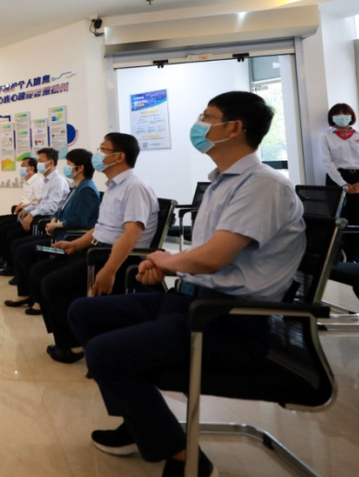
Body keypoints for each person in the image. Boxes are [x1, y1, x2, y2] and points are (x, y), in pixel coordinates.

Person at [67, 91, 305, 477]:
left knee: (105, 353)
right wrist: (169, 267)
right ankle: (139, 418)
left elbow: (213, 257)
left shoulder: (263, 185)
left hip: (227, 320)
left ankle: (182, 457)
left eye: (207, 117)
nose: (199, 125)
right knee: (85, 312)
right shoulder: (221, 183)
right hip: (190, 302)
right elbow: (204, 257)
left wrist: (167, 262)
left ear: (234, 128)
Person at [30, 133, 158, 361]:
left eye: (103, 149)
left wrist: (109, 270)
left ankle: (72, 344)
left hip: (116, 258)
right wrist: (74, 244)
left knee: (52, 283)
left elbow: (132, 234)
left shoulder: (135, 187)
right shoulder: (113, 186)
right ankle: (68, 336)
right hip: (97, 250)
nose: (97, 155)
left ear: (119, 156)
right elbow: (100, 228)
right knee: (40, 271)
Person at [3, 148, 101, 309]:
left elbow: (80, 220)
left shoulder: (87, 189)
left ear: (80, 168)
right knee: (18, 245)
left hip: (68, 242)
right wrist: (54, 219)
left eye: (69, 164)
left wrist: (58, 224)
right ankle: (26, 293)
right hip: (59, 235)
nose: (66, 167)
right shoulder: (77, 187)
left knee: (25, 251)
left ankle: (36, 299)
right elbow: (60, 209)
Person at [0, 147, 70, 272]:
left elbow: (51, 207)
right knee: (6, 228)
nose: (38, 164)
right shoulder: (47, 181)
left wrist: (32, 213)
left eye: (41, 161)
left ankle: (12, 266)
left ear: (50, 163)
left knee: (12, 235)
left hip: (46, 220)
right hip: (40, 217)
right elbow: (41, 203)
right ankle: (8, 262)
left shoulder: (57, 181)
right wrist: (28, 209)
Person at [320, 103, 359, 262]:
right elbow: (327, 162)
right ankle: (339, 259)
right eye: (338, 115)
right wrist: (343, 184)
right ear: (332, 118)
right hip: (336, 178)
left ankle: (356, 258)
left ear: (351, 117)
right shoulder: (326, 136)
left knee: (356, 219)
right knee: (338, 220)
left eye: (346, 114)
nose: (342, 117)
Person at [0, 157, 44, 263]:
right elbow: (28, 199)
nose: (21, 168)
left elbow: (40, 203)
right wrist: (20, 204)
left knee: (4, 226)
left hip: (29, 215)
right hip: (22, 212)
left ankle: (6, 259)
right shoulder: (27, 181)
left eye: (23, 166)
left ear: (31, 168)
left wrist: (25, 206)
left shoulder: (38, 182)